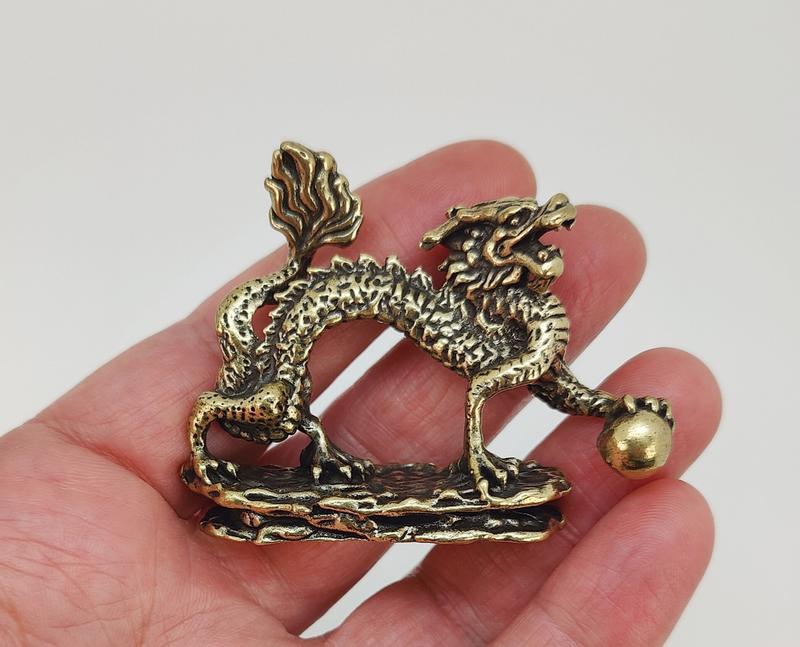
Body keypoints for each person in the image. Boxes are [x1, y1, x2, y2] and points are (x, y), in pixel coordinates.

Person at [0, 141, 720, 645]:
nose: (540, 244)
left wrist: (615, 407)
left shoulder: (520, 324)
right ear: (486, 249)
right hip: (337, 304)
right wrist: (478, 461)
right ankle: (308, 436)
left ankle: (314, 438)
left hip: (368, 309)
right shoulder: (502, 330)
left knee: (283, 407)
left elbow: (547, 378)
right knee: (270, 408)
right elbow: (488, 387)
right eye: (518, 237)